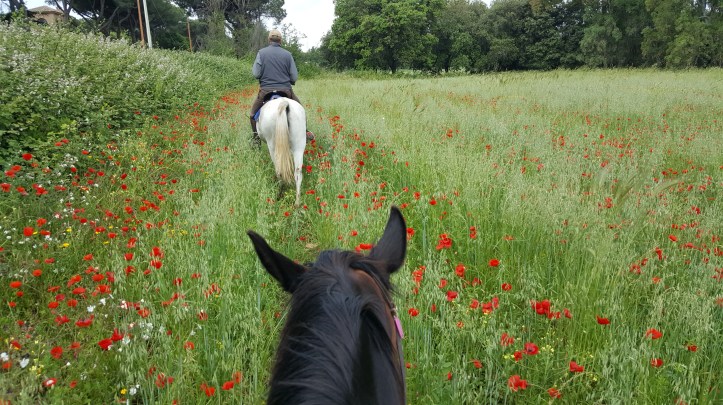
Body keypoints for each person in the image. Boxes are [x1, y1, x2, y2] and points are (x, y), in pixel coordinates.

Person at [250, 29, 315, 142]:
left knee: (252, 114)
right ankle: (305, 132)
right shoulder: (288, 54)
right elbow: (294, 77)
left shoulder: (261, 53)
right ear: (280, 40)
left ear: (269, 40)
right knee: (301, 111)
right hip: (285, 90)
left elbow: (256, 73)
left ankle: (256, 138)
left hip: (266, 91)